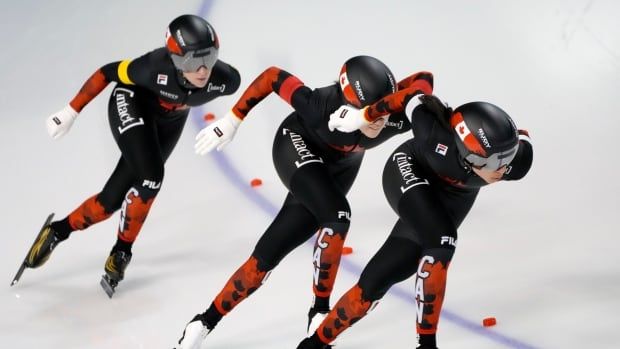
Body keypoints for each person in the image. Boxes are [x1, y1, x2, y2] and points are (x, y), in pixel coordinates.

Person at [174, 55, 434, 348]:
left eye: (383, 113)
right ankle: (320, 309)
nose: (380, 122)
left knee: (264, 260)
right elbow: (272, 76)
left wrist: (371, 113)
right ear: (347, 104)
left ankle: (202, 322)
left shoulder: (389, 115)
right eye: (371, 114)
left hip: (339, 168)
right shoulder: (320, 107)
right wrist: (232, 119)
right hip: (296, 145)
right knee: (338, 215)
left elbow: (425, 79)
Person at [23, 14, 240, 294]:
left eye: (209, 58)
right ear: (174, 59)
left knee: (109, 203)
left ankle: (57, 231)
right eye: (191, 61)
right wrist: (70, 111)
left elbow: (251, 91)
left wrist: (232, 121)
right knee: (152, 176)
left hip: (170, 122)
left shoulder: (225, 80)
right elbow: (107, 72)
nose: (202, 70)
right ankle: (122, 251)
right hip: (132, 102)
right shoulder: (152, 68)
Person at [296, 93, 534, 349]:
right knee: (443, 239)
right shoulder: (432, 135)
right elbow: (414, 92)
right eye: (490, 161)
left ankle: (314, 343)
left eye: (506, 158)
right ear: (467, 154)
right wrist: (364, 115)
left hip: (452, 197)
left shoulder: (516, 162)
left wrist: (504, 148)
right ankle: (427, 344)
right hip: (409, 170)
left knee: (379, 279)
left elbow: (521, 139)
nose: (499, 169)